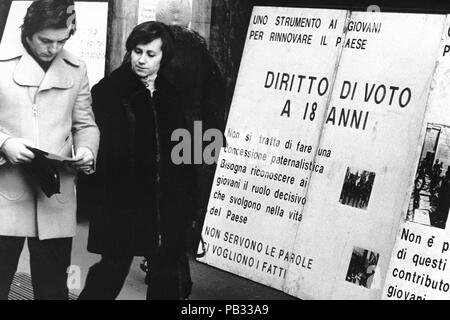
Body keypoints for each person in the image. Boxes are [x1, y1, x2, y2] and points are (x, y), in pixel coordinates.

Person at [78, 21, 197, 300]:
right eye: (137, 51)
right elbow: (96, 149)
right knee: (110, 271)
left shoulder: (172, 94)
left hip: (164, 204)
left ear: (164, 57)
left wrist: (189, 202)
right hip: (121, 205)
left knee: (166, 277)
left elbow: (187, 152)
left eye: (151, 54)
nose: (141, 60)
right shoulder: (108, 91)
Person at [0, 0, 99, 300]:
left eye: (61, 41)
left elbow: (86, 124)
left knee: (53, 289)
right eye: (45, 40)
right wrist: (4, 144)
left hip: (55, 195)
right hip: (6, 195)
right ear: (28, 33)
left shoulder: (76, 69)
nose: (52, 49)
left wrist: (87, 151)